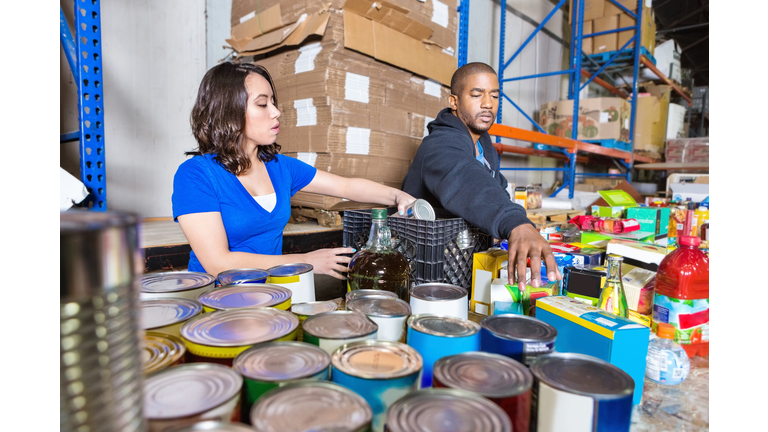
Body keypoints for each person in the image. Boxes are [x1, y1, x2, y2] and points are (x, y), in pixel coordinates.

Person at [172, 62, 416, 279]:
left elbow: (345, 186)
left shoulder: (279, 166)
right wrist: (305, 260)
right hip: (216, 300)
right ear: (228, 112)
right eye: (262, 104)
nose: (276, 112)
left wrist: (396, 196)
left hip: (270, 292)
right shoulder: (196, 175)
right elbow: (217, 263)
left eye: (273, 102)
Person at [401, 62, 562, 289]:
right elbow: (466, 180)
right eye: (477, 95)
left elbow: (494, 186)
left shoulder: (483, 146)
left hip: (461, 261)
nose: (488, 104)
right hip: (427, 268)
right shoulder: (440, 146)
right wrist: (516, 223)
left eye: (494, 96)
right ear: (454, 102)